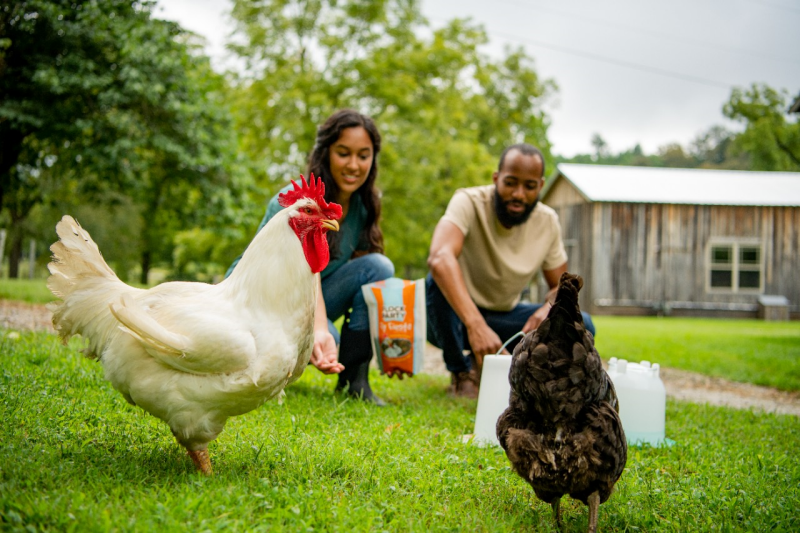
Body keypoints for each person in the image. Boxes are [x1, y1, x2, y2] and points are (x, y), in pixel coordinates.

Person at [227, 109, 394, 405]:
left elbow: (368, 283)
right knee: (327, 338)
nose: (354, 165)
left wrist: (394, 336)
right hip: (265, 299)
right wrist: (316, 330)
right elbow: (305, 268)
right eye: (343, 153)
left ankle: (354, 383)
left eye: (363, 155)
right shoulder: (295, 201)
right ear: (326, 152)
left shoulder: (365, 205)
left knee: (379, 267)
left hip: (313, 299)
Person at [426, 143, 596, 398]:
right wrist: (475, 325)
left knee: (583, 323)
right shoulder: (468, 201)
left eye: (529, 186)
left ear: (539, 186)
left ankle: (525, 374)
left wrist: (549, 308)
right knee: (435, 281)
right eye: (510, 182)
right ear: (496, 179)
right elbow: (440, 258)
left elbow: (560, 286)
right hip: (451, 319)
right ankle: (462, 373)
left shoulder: (547, 220)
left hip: (504, 318)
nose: (518, 194)